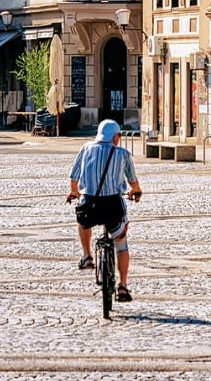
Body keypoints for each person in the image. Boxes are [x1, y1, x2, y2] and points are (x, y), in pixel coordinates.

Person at [67, 118, 143, 304]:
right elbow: (132, 181)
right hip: (113, 206)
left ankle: (87, 257)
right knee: (121, 244)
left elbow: (74, 177)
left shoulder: (86, 148)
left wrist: (74, 192)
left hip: (90, 204)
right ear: (115, 137)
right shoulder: (122, 154)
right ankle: (123, 286)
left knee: (82, 219)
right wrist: (136, 191)